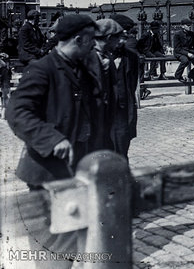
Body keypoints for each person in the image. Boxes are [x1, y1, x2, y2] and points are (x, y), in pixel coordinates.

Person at [6, 14, 98, 268]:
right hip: (49, 169)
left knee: (69, 238)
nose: (95, 45)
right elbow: (17, 112)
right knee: (54, 242)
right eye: (91, 40)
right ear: (79, 39)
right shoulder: (43, 68)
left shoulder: (81, 66)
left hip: (74, 169)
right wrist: (53, 139)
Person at [85, 18, 124, 152]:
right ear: (108, 38)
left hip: (107, 116)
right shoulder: (86, 57)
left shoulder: (107, 56)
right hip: (91, 120)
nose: (119, 42)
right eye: (117, 38)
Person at [110, 14, 141, 158]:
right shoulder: (95, 56)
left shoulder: (131, 57)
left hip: (123, 113)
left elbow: (132, 83)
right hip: (103, 116)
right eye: (121, 35)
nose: (124, 39)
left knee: (122, 155)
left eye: (126, 35)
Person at [173, 19, 194, 84]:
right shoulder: (177, 35)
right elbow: (177, 48)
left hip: (190, 51)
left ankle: (192, 74)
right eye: (188, 25)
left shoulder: (193, 34)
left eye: (190, 25)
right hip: (180, 52)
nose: (189, 27)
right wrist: (187, 54)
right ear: (182, 26)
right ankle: (178, 75)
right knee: (185, 60)